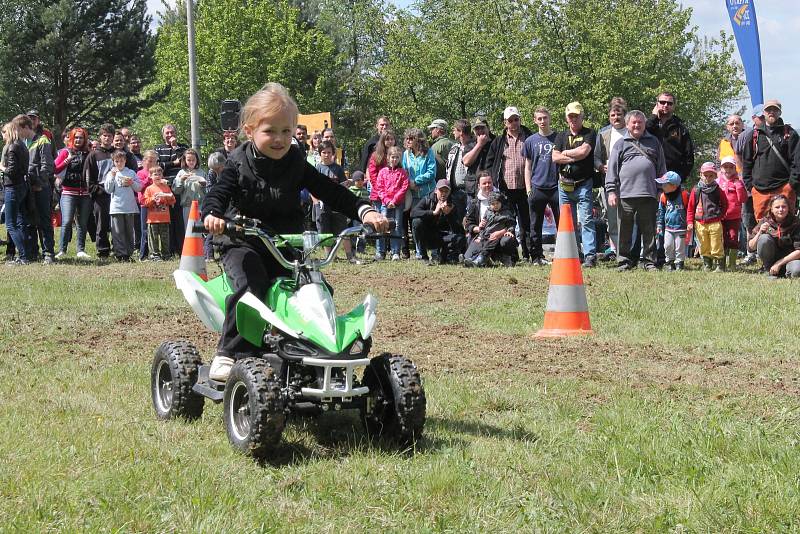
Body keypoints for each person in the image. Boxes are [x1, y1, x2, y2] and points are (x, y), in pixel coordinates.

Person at [201, 82, 385, 381]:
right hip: (242, 241)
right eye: (270, 131)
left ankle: (315, 354)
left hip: (285, 242)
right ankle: (228, 352)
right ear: (249, 131)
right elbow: (217, 194)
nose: (279, 139)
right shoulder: (237, 163)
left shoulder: (296, 162)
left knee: (317, 288)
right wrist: (212, 215)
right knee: (251, 286)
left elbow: (330, 191)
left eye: (286, 131)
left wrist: (366, 209)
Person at [605, 110, 667, 272]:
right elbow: (612, 170)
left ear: (644, 124)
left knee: (649, 231)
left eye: (640, 122)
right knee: (624, 230)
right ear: (627, 124)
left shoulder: (654, 142)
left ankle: (649, 261)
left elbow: (661, 168)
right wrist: (611, 191)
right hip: (625, 194)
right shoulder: (620, 144)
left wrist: (661, 189)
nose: (637, 125)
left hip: (648, 194)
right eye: (634, 122)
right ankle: (624, 261)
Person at [552, 102, 598, 267]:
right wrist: (573, 157)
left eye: (576, 116)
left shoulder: (590, 133)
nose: (573, 119)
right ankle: (572, 254)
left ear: (582, 117)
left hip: (583, 183)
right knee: (567, 222)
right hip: (564, 184)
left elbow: (584, 151)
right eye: (571, 116)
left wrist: (565, 153)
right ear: (566, 118)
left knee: (586, 219)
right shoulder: (561, 136)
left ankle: (590, 256)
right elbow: (555, 157)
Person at [485, 106, 532, 261]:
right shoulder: (498, 141)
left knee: (527, 223)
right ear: (505, 122)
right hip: (505, 190)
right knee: (507, 222)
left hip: (526, 188)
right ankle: (511, 255)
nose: (513, 123)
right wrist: (494, 180)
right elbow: (489, 163)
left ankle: (528, 253)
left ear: (520, 119)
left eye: (516, 119)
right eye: (510, 120)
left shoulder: (530, 137)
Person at [741, 99, 799, 221]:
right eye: (768, 110)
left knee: (787, 228)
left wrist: (791, 184)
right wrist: (750, 186)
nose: (771, 112)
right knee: (763, 230)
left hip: (784, 188)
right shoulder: (753, 135)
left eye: (775, 110)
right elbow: (746, 163)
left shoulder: (789, 134)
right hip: (760, 191)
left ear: (780, 112)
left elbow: (797, 161)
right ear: (764, 113)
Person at [523, 106, 560, 266]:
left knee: (563, 224)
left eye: (545, 117)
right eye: (539, 118)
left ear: (549, 118)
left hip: (556, 187)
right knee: (535, 225)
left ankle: (563, 255)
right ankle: (537, 257)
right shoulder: (530, 141)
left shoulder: (559, 138)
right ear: (535, 120)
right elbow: (527, 167)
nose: (543, 121)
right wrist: (528, 189)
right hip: (537, 187)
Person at [313, 140, 358, 263]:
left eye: (329, 152)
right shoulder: (317, 169)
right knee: (325, 231)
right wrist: (317, 202)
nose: (326, 155)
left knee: (342, 230)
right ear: (320, 153)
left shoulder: (338, 169)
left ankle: (350, 256)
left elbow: (343, 185)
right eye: (324, 152)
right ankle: (330, 256)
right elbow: (312, 188)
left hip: (337, 205)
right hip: (322, 205)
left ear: (333, 153)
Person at [594, 98, 628, 260]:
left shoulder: (632, 131)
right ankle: (619, 253)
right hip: (609, 183)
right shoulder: (603, 134)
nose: (616, 117)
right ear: (609, 117)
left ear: (625, 116)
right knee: (612, 219)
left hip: (630, 183)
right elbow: (596, 157)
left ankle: (633, 252)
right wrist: (601, 167)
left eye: (619, 114)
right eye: (613, 115)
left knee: (630, 218)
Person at [53, 127, 92, 260]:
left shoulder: (89, 152)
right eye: (76, 137)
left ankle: (80, 250)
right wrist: (67, 160)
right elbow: (55, 168)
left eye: (81, 137)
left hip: (85, 193)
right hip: (68, 192)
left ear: (84, 139)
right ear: (71, 138)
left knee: (82, 222)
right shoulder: (65, 152)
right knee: (67, 221)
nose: (78, 140)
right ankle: (62, 250)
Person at [410, 179, 465, 265]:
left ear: (449, 192)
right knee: (416, 222)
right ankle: (423, 256)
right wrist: (433, 213)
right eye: (441, 191)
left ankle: (445, 257)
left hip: (441, 236)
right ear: (436, 190)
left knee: (460, 238)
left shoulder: (453, 203)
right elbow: (413, 213)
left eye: (446, 191)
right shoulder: (427, 199)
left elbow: (458, 229)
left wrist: (449, 214)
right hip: (427, 236)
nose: (443, 193)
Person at [2, 116, 34, 265]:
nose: (2, 136)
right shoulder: (22, 145)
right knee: (21, 222)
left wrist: (2, 167)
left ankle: (22, 256)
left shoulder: (13, 147)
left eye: (3, 132)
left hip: (13, 187)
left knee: (11, 224)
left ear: (9, 132)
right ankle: (25, 254)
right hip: (22, 186)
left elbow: (12, 171)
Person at [403, 128, 437, 260]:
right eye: (407, 138)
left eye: (411, 138)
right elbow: (404, 172)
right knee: (415, 223)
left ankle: (434, 250)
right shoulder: (406, 154)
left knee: (430, 222)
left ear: (419, 140)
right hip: (413, 195)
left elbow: (431, 172)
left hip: (428, 193)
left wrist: (416, 181)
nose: (409, 141)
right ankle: (419, 251)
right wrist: (409, 183)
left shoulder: (428, 153)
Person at [687, 162, 728, 272]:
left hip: (714, 222)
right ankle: (707, 264)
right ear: (701, 175)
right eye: (706, 175)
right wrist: (690, 222)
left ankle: (720, 265)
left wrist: (720, 216)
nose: (708, 178)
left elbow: (725, 204)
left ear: (715, 176)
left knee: (716, 244)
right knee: (703, 245)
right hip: (700, 223)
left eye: (711, 175)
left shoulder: (718, 190)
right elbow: (690, 207)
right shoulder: (696, 190)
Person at [748, 194, 800, 278]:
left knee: (797, 270)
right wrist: (759, 232)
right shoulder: (765, 221)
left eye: (784, 207)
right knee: (764, 238)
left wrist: (779, 263)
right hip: (771, 260)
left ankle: (782, 272)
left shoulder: (796, 223)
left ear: (788, 208)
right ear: (771, 209)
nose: (781, 210)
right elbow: (750, 247)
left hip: (789, 260)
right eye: (777, 207)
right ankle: (769, 270)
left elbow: (799, 251)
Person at [646, 91, 695, 181]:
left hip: (672, 179)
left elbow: (689, 157)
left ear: (674, 106)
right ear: (657, 104)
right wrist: (653, 116)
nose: (665, 105)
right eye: (662, 102)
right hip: (650, 176)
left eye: (669, 103)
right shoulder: (649, 124)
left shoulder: (681, 128)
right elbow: (640, 136)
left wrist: (680, 177)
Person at [155, 123, 188, 254]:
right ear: (163, 135)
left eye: (172, 132)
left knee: (179, 219)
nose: (170, 135)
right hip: (164, 187)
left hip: (180, 187)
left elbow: (186, 162)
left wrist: (175, 147)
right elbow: (157, 167)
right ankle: (169, 249)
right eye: (167, 133)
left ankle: (181, 248)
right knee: (167, 219)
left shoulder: (183, 147)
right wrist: (173, 163)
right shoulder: (158, 149)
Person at [26, 115, 55, 263]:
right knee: (30, 220)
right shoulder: (22, 141)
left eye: (34, 118)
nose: (31, 121)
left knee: (44, 220)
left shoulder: (43, 139)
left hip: (40, 187)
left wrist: (40, 183)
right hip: (26, 188)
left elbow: (48, 165)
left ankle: (48, 253)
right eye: (28, 119)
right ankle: (32, 252)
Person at [84, 123, 116, 258]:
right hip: (100, 194)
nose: (107, 138)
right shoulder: (93, 155)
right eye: (105, 136)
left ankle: (118, 248)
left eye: (109, 136)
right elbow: (87, 177)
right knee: (101, 223)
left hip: (117, 194)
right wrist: (96, 190)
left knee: (116, 223)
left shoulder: (117, 153)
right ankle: (103, 250)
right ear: (100, 137)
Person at [104, 150, 142, 261]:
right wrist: (112, 176)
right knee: (117, 232)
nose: (119, 163)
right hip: (116, 208)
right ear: (113, 162)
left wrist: (132, 183)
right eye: (117, 161)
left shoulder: (131, 173)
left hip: (129, 207)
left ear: (125, 161)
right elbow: (108, 189)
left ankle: (129, 253)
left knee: (130, 232)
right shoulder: (111, 173)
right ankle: (120, 254)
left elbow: (139, 187)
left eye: (121, 161)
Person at [463, 191, 517, 267]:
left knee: (488, 247)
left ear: (501, 202)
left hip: (497, 236)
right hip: (486, 234)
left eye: (497, 203)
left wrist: (509, 231)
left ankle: (480, 260)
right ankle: (472, 259)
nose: (495, 206)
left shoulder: (506, 213)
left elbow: (511, 223)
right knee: (480, 245)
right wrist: (481, 227)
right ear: (490, 204)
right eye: (493, 204)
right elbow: (484, 223)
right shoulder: (488, 212)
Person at [375, 146, 409, 261]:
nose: (394, 160)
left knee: (397, 226)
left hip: (398, 204)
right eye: (392, 157)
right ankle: (381, 251)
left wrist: (394, 200)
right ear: (388, 158)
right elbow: (379, 188)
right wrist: (387, 200)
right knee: (382, 225)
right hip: (385, 203)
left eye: (397, 157)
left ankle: (395, 252)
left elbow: (404, 188)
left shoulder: (402, 172)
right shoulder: (382, 172)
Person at [717, 155, 747, 271]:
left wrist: (738, 186)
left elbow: (743, 199)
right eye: (725, 167)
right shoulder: (718, 181)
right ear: (721, 168)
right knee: (721, 239)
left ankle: (732, 264)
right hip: (720, 216)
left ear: (735, 169)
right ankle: (722, 265)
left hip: (734, 216)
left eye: (731, 167)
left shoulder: (738, 182)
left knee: (733, 238)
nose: (728, 170)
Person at [655, 171, 688, 271]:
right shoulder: (663, 196)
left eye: (665, 184)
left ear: (674, 186)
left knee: (679, 247)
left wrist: (690, 223)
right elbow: (661, 211)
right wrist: (659, 225)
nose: (662, 186)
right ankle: (669, 262)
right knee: (668, 246)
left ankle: (679, 263)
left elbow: (689, 209)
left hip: (681, 228)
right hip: (668, 228)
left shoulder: (684, 195)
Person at [143, 166, 175, 261]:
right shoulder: (149, 189)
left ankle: (166, 254)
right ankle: (155, 254)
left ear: (162, 176)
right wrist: (153, 199)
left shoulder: (166, 187)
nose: (157, 176)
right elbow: (145, 202)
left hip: (164, 218)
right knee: (153, 238)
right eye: (155, 174)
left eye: (159, 174)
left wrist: (166, 196)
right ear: (150, 176)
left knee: (165, 238)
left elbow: (173, 201)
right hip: (152, 219)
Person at [172, 148, 207, 229]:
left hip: (200, 205)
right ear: (185, 160)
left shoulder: (202, 172)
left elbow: (208, 191)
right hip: (187, 206)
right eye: (189, 160)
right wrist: (181, 180)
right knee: (189, 230)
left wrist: (204, 184)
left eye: (193, 160)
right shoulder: (181, 173)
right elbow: (176, 191)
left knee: (201, 229)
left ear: (197, 160)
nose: (191, 162)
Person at [367, 130, 397, 213]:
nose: (390, 141)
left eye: (392, 139)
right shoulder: (376, 155)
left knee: (393, 221)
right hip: (379, 194)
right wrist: (382, 191)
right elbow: (373, 176)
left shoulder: (397, 155)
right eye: (387, 139)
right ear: (383, 141)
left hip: (393, 195)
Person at [136, 150, 159, 261]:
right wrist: (149, 178)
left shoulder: (157, 172)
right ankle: (142, 254)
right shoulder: (140, 173)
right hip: (145, 204)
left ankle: (154, 252)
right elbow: (140, 187)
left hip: (155, 204)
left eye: (154, 161)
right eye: (150, 161)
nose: (152, 164)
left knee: (154, 230)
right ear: (144, 161)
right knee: (145, 230)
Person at [428, 119, 454, 183]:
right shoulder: (454, 143)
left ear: (438, 130)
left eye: (432, 129)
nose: (431, 132)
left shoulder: (436, 146)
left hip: (441, 183)